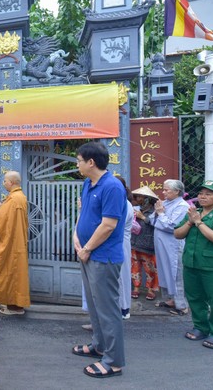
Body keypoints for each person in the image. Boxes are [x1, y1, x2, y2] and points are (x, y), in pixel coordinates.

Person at [72, 141, 127, 379]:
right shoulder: (88, 183)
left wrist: (86, 249)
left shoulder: (112, 186)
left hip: (102, 257)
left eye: (79, 160)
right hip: (87, 252)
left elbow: (108, 225)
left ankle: (114, 361)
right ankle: (99, 346)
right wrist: (76, 236)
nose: (77, 164)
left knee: (107, 309)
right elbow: (84, 214)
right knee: (95, 307)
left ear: (91, 162)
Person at [174, 180, 213, 349]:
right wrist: (190, 221)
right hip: (192, 264)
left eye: (208, 194)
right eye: (201, 193)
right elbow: (177, 234)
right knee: (195, 298)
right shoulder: (194, 213)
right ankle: (201, 327)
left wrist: (199, 223)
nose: (202, 196)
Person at [0, 170, 30, 316]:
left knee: (13, 272)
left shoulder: (15, 200)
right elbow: (9, 218)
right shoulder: (16, 198)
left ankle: (15, 307)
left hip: (13, 243)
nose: (3, 183)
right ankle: (12, 304)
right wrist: (0, 209)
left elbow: (8, 224)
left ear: (11, 182)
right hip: (14, 242)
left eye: (5, 180)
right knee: (12, 272)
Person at [149, 179, 190, 316]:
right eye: (164, 189)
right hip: (161, 244)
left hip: (173, 245)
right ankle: (171, 299)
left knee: (176, 273)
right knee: (165, 271)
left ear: (177, 191)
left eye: (167, 190)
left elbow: (172, 226)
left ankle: (182, 305)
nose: (163, 192)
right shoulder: (165, 203)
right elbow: (151, 220)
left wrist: (160, 214)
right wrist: (157, 213)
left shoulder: (182, 206)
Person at [130, 187, 159, 301]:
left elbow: (157, 224)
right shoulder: (135, 208)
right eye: (137, 197)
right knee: (135, 267)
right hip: (135, 242)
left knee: (150, 269)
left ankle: (150, 290)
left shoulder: (155, 211)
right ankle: (136, 288)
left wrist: (142, 217)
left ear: (147, 199)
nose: (138, 199)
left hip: (148, 243)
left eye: (140, 197)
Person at [114, 176, 134, 320]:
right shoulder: (121, 203)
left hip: (120, 243)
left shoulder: (125, 204)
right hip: (118, 243)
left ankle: (124, 307)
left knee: (121, 276)